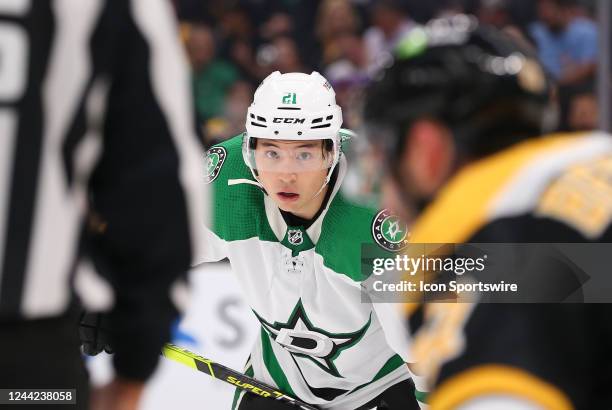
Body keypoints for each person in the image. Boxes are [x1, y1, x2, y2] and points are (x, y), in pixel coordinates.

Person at [363, 15, 612, 409]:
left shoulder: (497, 259)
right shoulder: (591, 171)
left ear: (427, 151)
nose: (382, 198)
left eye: (384, 158)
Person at [0, 1, 206, 409]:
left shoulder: (370, 228)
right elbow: (156, 187)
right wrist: (135, 344)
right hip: (26, 355)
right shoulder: (238, 190)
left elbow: (376, 292)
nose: (285, 166)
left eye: (303, 150)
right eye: (274, 148)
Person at [198, 71, 424, 409]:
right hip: (276, 385)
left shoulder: (378, 207)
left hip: (380, 387)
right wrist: (110, 298)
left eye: (304, 154)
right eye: (271, 153)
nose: (286, 174)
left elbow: (423, 352)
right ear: (250, 150)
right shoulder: (227, 186)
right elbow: (155, 251)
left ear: (331, 153)